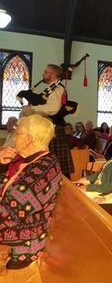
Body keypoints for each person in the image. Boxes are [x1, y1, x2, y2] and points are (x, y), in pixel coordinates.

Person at [0, 114, 62, 270]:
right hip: (13, 227)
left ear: (28, 139)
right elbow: (7, 192)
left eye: (18, 133)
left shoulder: (43, 168)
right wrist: (2, 167)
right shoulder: (32, 160)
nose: (14, 138)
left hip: (22, 242)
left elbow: (16, 209)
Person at [21, 64, 74, 178]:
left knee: (58, 169)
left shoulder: (58, 88)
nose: (43, 74)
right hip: (49, 128)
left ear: (53, 75)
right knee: (50, 167)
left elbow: (53, 108)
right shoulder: (50, 88)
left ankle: (65, 193)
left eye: (46, 72)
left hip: (54, 129)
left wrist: (32, 109)